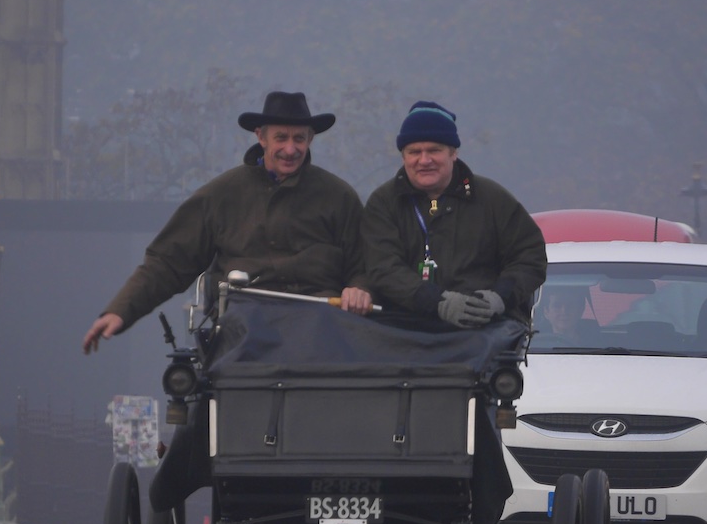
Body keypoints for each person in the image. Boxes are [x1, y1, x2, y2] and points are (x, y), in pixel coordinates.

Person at [82, 90, 373, 354]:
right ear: (261, 137)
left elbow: (365, 263)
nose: (290, 149)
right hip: (245, 336)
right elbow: (168, 263)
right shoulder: (220, 195)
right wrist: (120, 311)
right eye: (281, 138)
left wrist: (359, 288)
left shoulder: (339, 197)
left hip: (321, 332)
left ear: (310, 139)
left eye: (299, 138)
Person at [360, 101, 547, 328]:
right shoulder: (384, 203)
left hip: (486, 330)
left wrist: (499, 297)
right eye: (414, 152)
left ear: (453, 153)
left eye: (434, 150)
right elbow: (382, 268)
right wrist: (436, 302)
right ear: (403, 157)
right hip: (406, 331)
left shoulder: (493, 199)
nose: (424, 160)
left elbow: (530, 256)